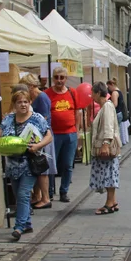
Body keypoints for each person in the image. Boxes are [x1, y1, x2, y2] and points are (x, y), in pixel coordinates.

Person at [0, 87, 54, 241]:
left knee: (24, 194)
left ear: (30, 103)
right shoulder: (8, 119)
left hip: (29, 163)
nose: (23, 105)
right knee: (19, 195)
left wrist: (38, 146)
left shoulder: (37, 118)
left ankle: (18, 228)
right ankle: (26, 223)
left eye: (26, 102)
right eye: (20, 102)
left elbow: (49, 136)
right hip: (12, 165)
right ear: (14, 104)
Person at [45, 68, 82, 203]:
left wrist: (77, 130)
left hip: (70, 134)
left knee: (67, 164)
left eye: (62, 77)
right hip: (53, 135)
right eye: (56, 77)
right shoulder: (47, 94)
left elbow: (77, 112)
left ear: (66, 79)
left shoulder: (72, 92)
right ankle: (49, 192)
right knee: (50, 164)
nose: (59, 80)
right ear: (53, 78)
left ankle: (63, 191)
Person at [22, 73, 55, 210]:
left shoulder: (41, 98)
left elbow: (43, 119)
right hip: (36, 137)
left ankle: (45, 198)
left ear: (31, 86)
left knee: (41, 168)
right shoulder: (35, 97)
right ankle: (37, 196)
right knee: (35, 167)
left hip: (42, 138)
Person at [89, 82, 121, 214]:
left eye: (92, 93)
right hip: (105, 145)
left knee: (107, 174)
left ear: (98, 93)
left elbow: (108, 126)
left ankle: (109, 203)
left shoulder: (106, 106)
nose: (91, 96)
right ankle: (112, 201)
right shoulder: (105, 106)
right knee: (110, 173)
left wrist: (105, 144)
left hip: (105, 146)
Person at [108, 79, 130, 146]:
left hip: (116, 113)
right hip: (120, 113)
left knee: (116, 131)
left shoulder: (114, 93)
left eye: (109, 87)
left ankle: (117, 145)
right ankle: (119, 144)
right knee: (118, 130)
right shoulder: (119, 91)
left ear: (112, 85)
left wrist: (109, 105)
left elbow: (115, 104)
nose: (109, 89)